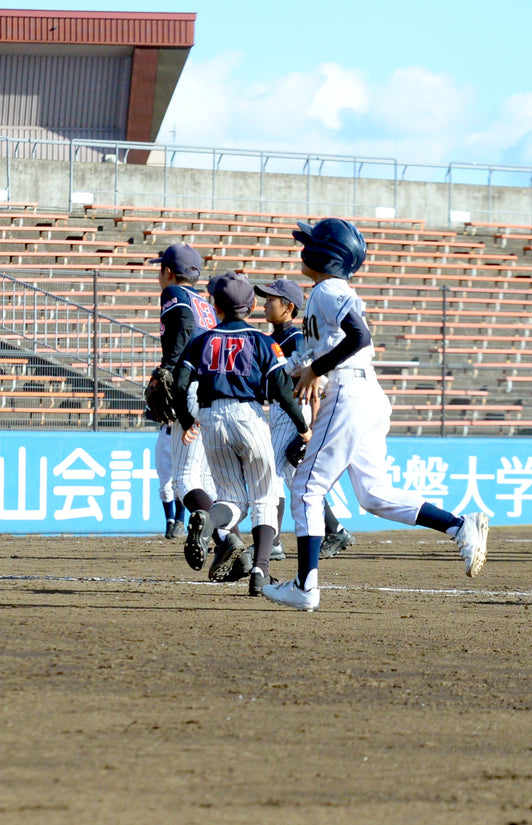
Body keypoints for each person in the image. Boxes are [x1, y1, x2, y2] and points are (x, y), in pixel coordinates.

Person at [263, 218, 489, 612]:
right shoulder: (322, 292)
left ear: (326, 254)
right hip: (362, 392)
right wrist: (305, 367)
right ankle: (459, 525)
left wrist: (316, 369)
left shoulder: (330, 288)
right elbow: (326, 347)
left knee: (305, 488)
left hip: (348, 392)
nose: (303, 247)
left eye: (309, 243)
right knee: (374, 495)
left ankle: (305, 586)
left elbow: (359, 336)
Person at [172, 272, 310, 595]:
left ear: (216, 306)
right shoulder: (264, 341)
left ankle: (208, 520)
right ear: (250, 306)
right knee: (263, 495)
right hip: (248, 415)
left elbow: (179, 384)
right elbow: (283, 391)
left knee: (232, 497)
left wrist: (188, 419)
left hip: (210, 418)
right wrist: (303, 428)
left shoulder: (201, 340)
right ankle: (260, 573)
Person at [253, 277, 356, 562]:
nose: (265, 304)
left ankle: (271, 542)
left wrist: (311, 426)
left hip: (294, 410)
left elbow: (315, 384)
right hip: (279, 411)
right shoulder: (274, 339)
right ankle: (335, 530)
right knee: (295, 477)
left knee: (270, 474)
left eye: (271, 300)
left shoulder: (295, 339)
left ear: (288, 307)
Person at [150, 243, 219, 568]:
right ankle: (226, 542)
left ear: (168, 271)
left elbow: (182, 329)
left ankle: (227, 538)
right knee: (203, 480)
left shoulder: (174, 292)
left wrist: (167, 366)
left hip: (191, 386)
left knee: (183, 480)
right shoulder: (206, 303)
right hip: (215, 390)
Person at [153, 422, 186, 539]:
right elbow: (149, 413)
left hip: (183, 434)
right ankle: (170, 521)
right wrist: (162, 416)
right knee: (165, 484)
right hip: (165, 434)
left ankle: (180, 520)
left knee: (181, 479)